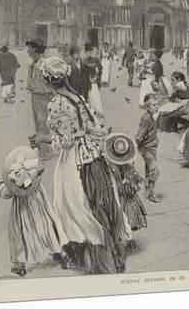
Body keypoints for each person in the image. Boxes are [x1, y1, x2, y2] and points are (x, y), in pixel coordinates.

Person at [32, 57, 130, 274]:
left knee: (73, 206)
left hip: (76, 161)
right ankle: (114, 257)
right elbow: (95, 126)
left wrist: (43, 139)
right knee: (101, 205)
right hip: (94, 156)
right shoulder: (79, 97)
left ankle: (94, 259)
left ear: (49, 80)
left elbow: (65, 142)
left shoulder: (56, 103)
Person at [0, 146, 69, 277]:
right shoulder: (31, 172)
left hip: (26, 206)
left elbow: (8, 191)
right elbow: (13, 186)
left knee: (22, 231)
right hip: (35, 203)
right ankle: (63, 255)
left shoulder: (27, 175)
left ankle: (22, 265)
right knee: (43, 227)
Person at [104, 133, 147, 253]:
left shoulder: (125, 168)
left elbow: (135, 180)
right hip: (123, 196)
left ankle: (126, 241)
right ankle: (125, 240)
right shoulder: (114, 168)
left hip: (125, 198)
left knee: (124, 217)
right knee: (123, 218)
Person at [26, 38, 54, 160]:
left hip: (43, 97)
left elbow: (50, 84)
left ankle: (46, 152)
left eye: (29, 48)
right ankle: (42, 149)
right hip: (36, 97)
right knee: (38, 123)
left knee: (43, 124)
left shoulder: (42, 64)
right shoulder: (34, 63)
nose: (28, 50)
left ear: (35, 49)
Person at [136, 94, 161, 203]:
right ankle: (151, 193)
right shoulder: (146, 118)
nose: (157, 107)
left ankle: (147, 191)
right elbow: (139, 136)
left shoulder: (150, 117)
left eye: (157, 104)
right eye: (154, 105)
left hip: (151, 147)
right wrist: (139, 145)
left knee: (148, 169)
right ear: (147, 107)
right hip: (147, 148)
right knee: (154, 170)